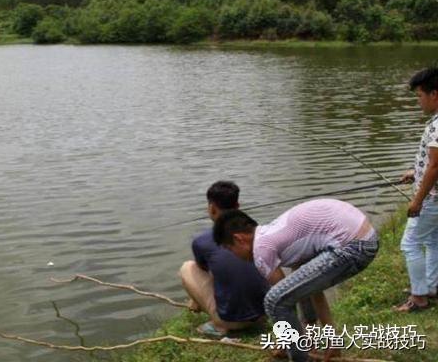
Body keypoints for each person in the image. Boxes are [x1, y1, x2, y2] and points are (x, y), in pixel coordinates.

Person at [213, 199, 379, 362]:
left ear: (239, 239)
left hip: (351, 246)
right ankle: (318, 343)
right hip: (365, 238)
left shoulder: (261, 250)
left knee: (274, 300)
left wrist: (284, 341)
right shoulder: (274, 235)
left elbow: (282, 303)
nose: (234, 255)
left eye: (229, 249)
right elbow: (309, 287)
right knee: (289, 293)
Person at [178, 181, 269, 337]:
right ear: (238, 205)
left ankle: (219, 325)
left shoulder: (201, 241)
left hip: (232, 322)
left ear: (212, 208)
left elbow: (207, 271)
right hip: (266, 314)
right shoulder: (257, 231)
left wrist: (196, 299)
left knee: (187, 267)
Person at [396, 67, 438, 312]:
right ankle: (431, 286)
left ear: (434, 94)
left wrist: (418, 200)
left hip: (432, 198)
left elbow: (435, 166)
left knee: (410, 243)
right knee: (433, 241)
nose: (418, 101)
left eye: (419, 96)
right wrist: (416, 172)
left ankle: (419, 298)